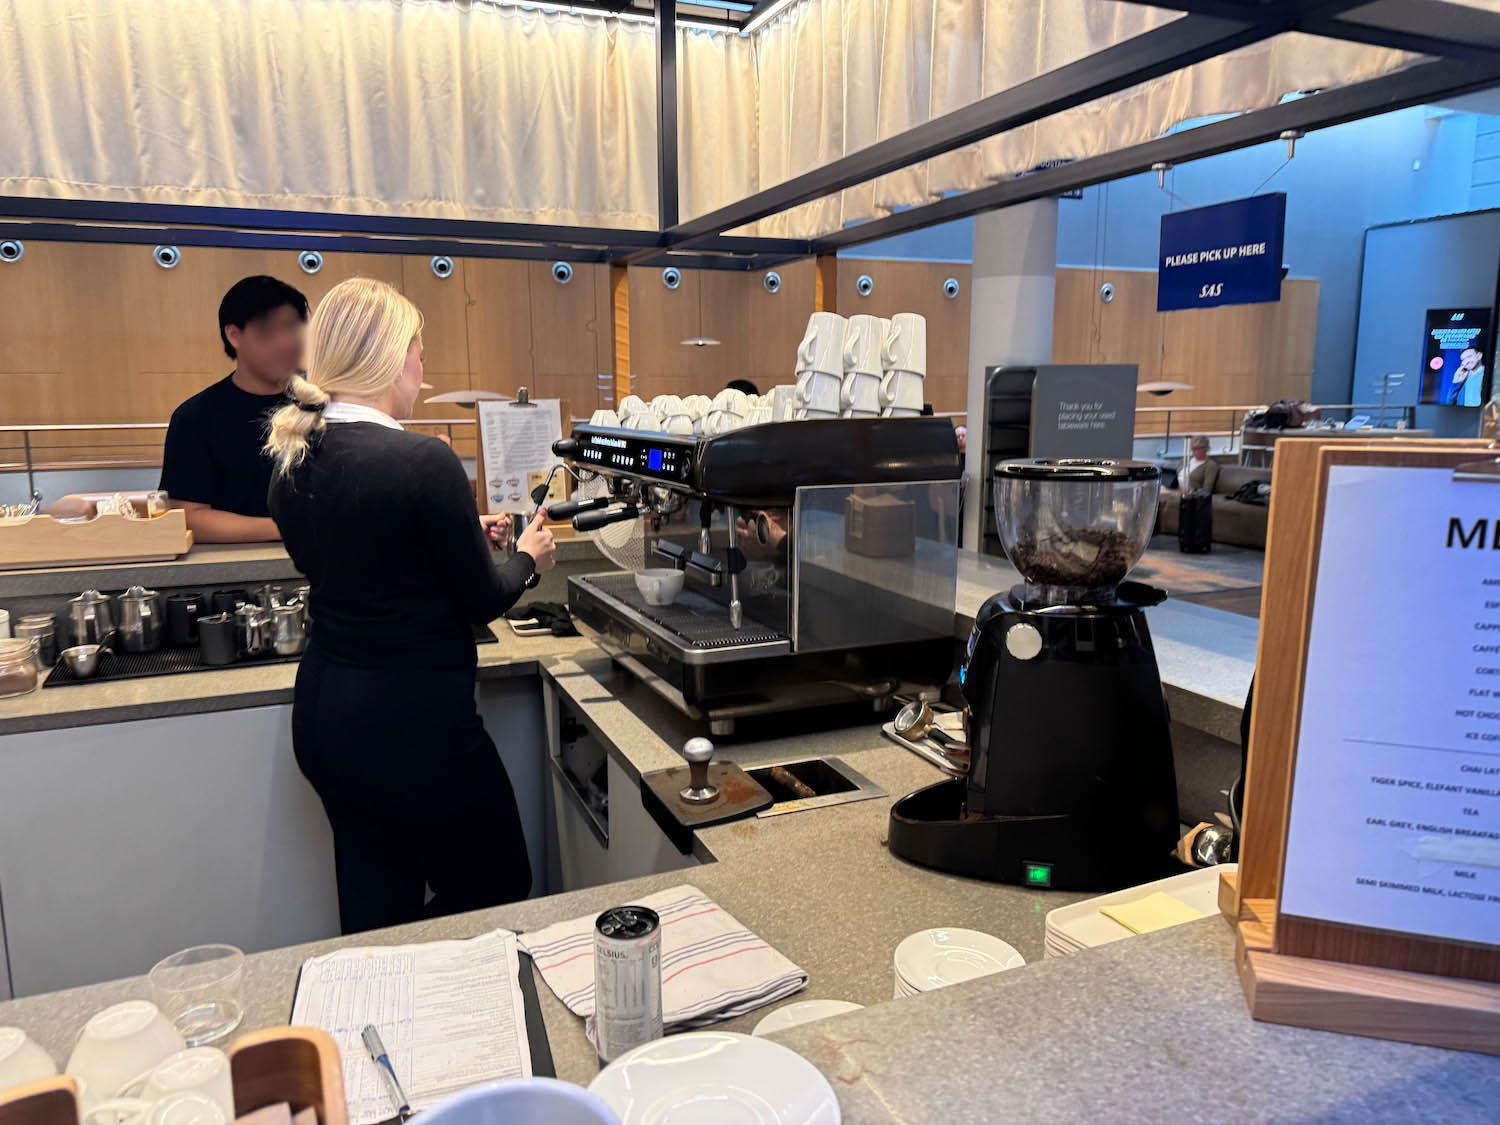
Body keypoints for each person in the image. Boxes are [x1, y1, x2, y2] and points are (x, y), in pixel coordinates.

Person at [266, 277, 556, 934]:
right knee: (499, 880)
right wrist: (528, 559)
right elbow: (483, 597)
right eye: (420, 352)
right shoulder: (422, 459)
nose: (424, 371)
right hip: (414, 726)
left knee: (379, 910)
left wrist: (453, 534)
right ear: (392, 356)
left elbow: (367, 558)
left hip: (328, 717)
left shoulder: (290, 459)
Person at [160, 276, 309, 542]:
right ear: (234, 335)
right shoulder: (196, 418)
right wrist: (289, 528)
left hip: (330, 560)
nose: (285, 343)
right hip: (238, 568)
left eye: (292, 329)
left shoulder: (326, 401)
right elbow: (189, 516)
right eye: (268, 331)